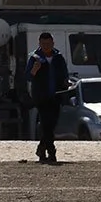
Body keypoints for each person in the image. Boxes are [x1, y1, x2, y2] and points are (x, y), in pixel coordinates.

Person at [26, 32, 71, 165]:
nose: (46, 46)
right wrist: (35, 69)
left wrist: (66, 83)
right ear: (39, 44)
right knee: (46, 124)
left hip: (56, 95)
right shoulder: (34, 58)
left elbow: (64, 74)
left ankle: (41, 149)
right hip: (41, 96)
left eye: (48, 44)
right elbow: (28, 77)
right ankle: (51, 153)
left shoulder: (58, 57)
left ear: (53, 43)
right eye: (43, 44)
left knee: (51, 125)